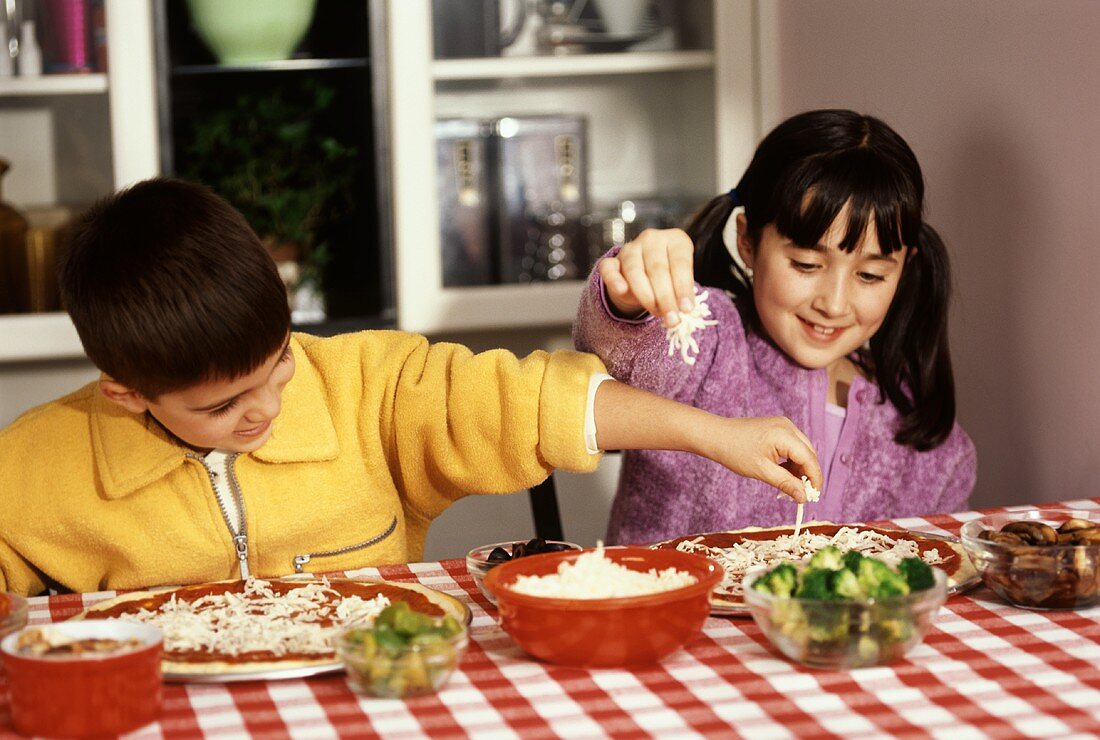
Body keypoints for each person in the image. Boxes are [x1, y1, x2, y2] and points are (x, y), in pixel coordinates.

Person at [0, 178, 821, 596]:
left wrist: (719, 432)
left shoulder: (368, 386)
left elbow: (535, 402)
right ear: (126, 393)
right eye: (220, 405)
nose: (267, 407)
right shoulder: (37, 465)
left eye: (278, 362)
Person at [574, 109, 976, 546]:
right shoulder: (710, 339)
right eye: (806, 264)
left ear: (904, 269)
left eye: (871, 276)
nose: (834, 303)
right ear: (748, 241)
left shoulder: (922, 430)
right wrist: (634, 298)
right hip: (674, 609)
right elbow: (626, 354)